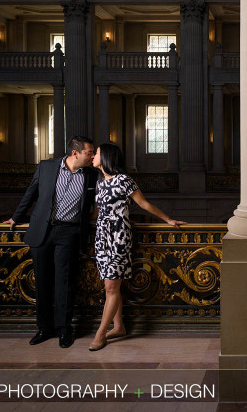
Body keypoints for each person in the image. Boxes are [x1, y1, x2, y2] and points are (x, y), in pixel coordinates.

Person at [89, 142, 185, 351]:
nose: (93, 156)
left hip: (118, 237)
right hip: (101, 238)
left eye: (96, 153)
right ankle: (119, 326)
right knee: (110, 287)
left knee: (111, 287)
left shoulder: (124, 180)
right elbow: (97, 213)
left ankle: (100, 334)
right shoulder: (99, 183)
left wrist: (167, 219)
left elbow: (144, 204)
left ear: (106, 156)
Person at [4, 136, 97, 348]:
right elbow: (31, 192)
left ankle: (64, 329)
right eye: (89, 153)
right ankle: (44, 328)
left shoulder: (91, 174)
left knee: (64, 282)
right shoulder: (47, 167)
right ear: (75, 153)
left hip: (69, 233)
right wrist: (16, 217)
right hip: (43, 230)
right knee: (43, 282)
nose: (92, 156)